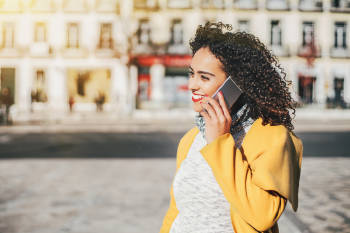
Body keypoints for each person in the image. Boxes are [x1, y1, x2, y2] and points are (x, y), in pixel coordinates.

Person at [159, 22, 303, 233]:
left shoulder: (273, 138)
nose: (192, 85)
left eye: (204, 77)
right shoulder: (191, 139)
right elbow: (177, 211)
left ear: (236, 85)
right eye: (191, 73)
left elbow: (262, 215)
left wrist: (220, 142)